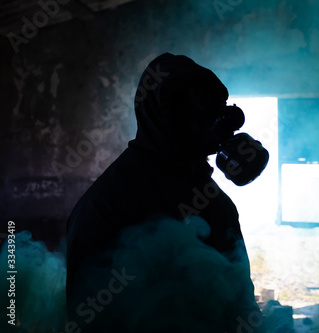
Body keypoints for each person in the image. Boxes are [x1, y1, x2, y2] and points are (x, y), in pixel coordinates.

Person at [66, 53, 265, 332]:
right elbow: (85, 316)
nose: (217, 122)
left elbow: (241, 299)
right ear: (163, 116)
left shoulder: (218, 204)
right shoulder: (109, 202)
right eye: (201, 109)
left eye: (218, 109)